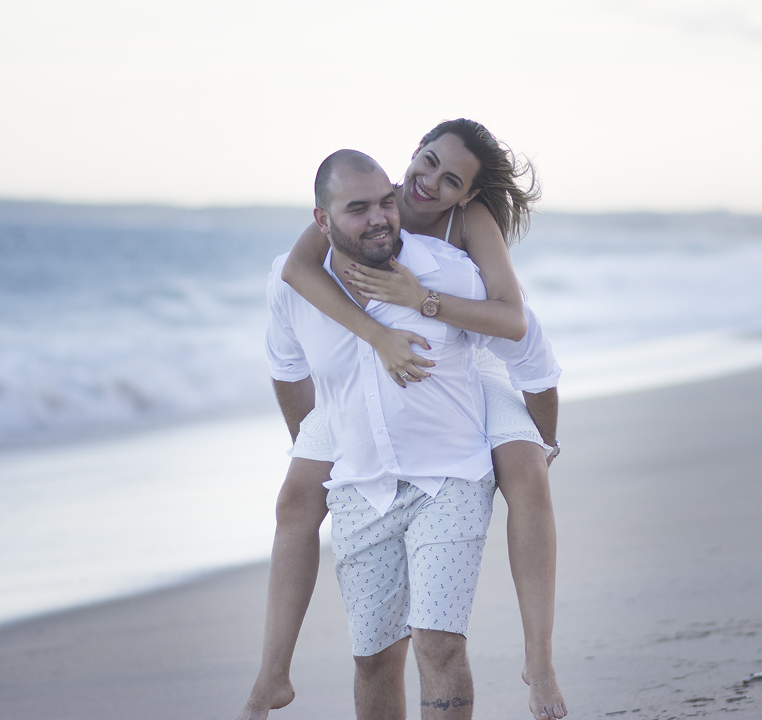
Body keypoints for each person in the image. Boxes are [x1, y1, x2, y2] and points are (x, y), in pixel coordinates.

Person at [238, 120, 566, 720]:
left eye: (450, 180)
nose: (427, 184)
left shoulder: (463, 235)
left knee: (527, 468)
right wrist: (327, 428)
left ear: (466, 194)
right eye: (427, 163)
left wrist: (548, 438)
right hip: (362, 411)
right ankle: (271, 678)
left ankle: (539, 661)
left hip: (471, 375)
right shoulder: (341, 220)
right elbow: (296, 278)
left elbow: (518, 329)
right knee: (296, 497)